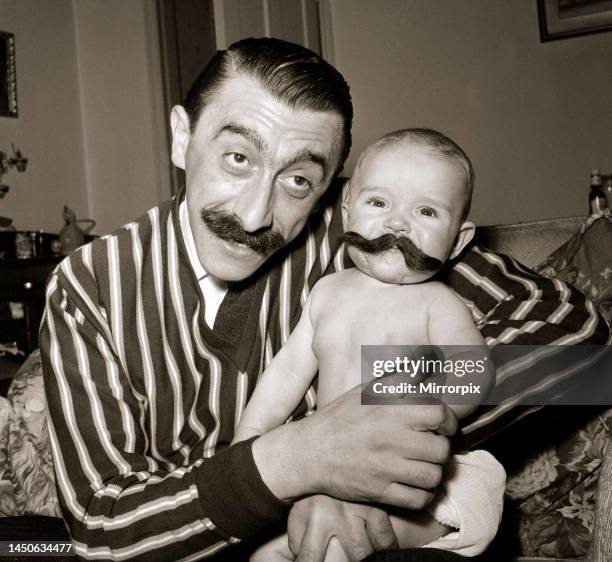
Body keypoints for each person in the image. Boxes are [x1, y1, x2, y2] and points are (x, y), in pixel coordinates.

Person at [39, 37, 608, 562]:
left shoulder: (370, 235)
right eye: (238, 158)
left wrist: (379, 421)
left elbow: (572, 331)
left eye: (298, 181)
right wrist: (298, 459)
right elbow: (99, 525)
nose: (255, 215)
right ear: (183, 138)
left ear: (334, 184)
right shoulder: (90, 287)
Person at [234, 129, 505, 561]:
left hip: (409, 476)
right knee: (264, 550)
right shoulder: (327, 292)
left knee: (335, 543)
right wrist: (248, 441)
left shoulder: (436, 303)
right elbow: (286, 373)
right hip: (327, 466)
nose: (397, 223)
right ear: (346, 211)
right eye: (379, 203)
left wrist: (404, 398)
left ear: (458, 240)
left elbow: (474, 374)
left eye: (426, 211)